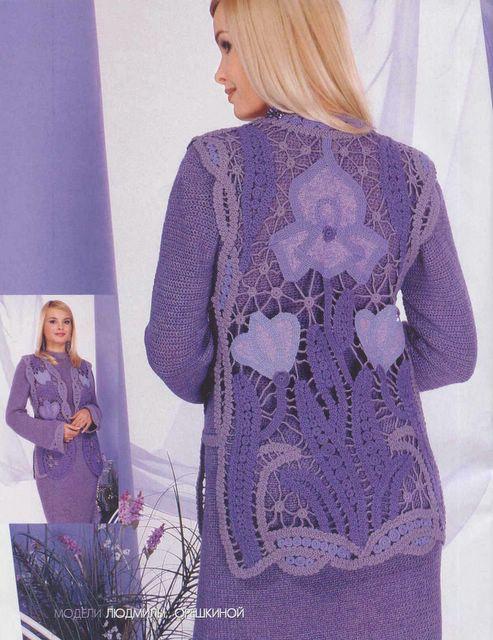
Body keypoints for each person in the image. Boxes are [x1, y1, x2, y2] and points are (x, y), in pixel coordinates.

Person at [144, 1, 478, 638]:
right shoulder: (410, 175)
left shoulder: (215, 167)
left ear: (276, 43)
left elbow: (173, 348)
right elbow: (453, 349)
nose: (220, 72)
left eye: (228, 45)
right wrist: (360, 371)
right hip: (398, 516)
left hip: (263, 519)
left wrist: (260, 387)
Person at [5, 300, 104, 522]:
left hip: (88, 463)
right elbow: (13, 415)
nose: (60, 327)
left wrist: (90, 413)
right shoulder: (29, 365)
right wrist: (56, 432)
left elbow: (97, 407)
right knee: (62, 532)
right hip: (54, 466)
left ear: (72, 328)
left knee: (89, 532)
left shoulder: (85, 367)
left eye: (66, 321)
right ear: (43, 326)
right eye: (53, 321)